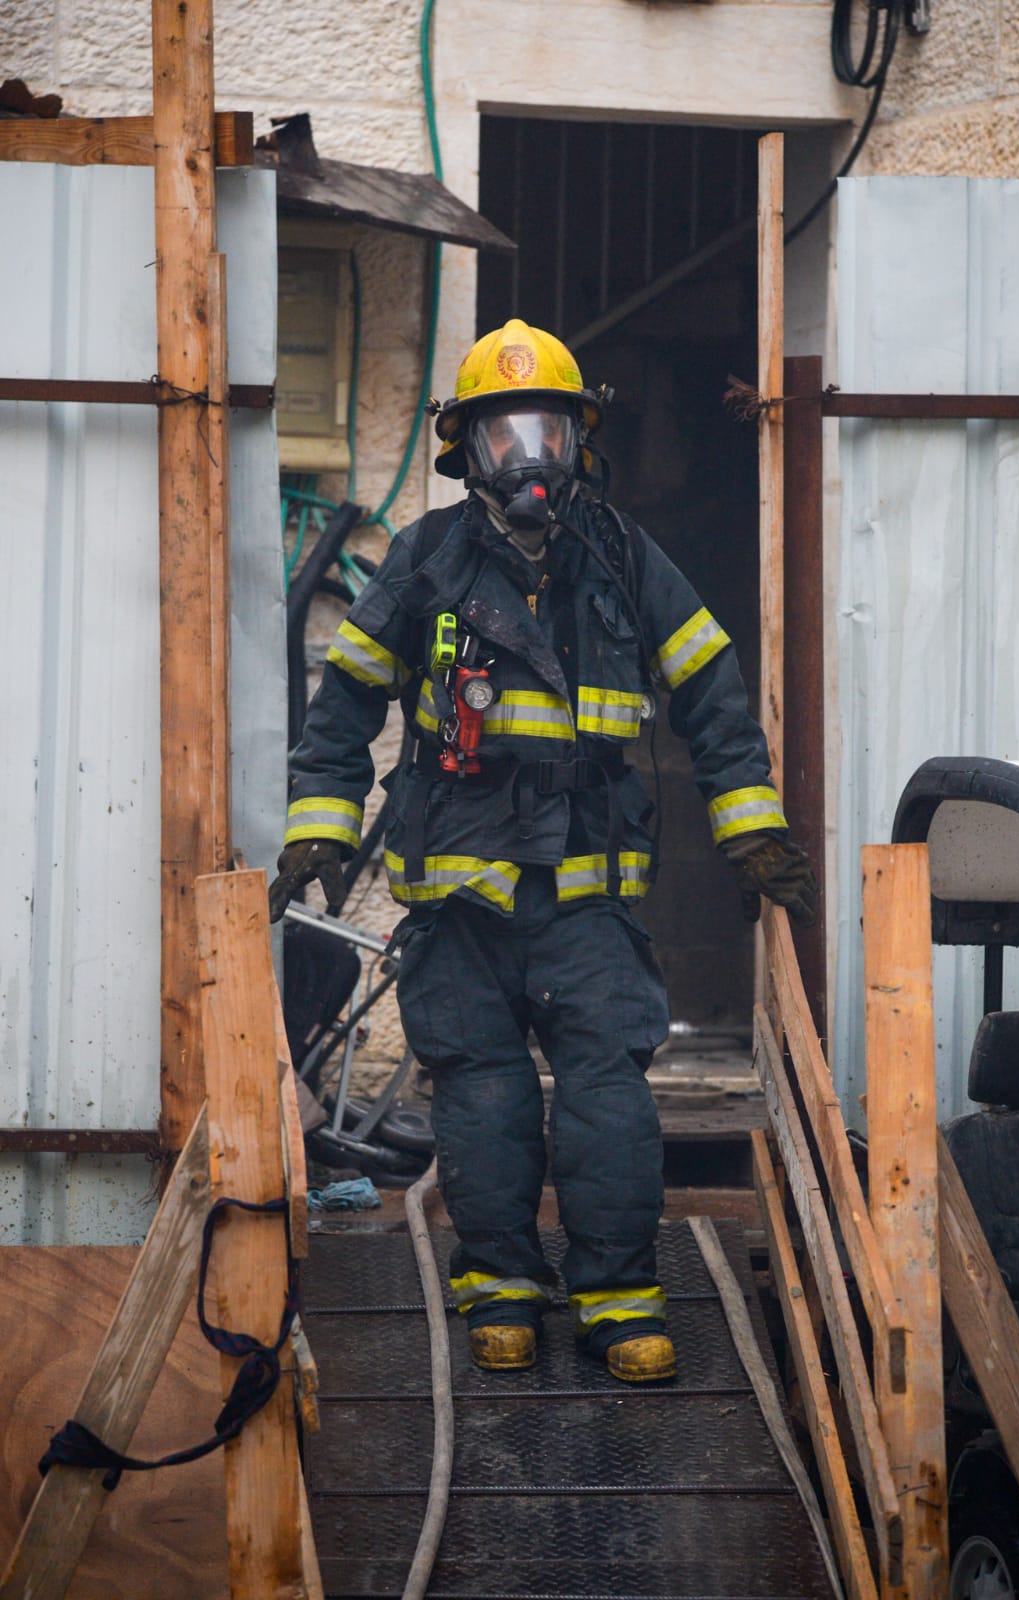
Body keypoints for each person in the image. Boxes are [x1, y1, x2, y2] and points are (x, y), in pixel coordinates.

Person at [269, 319, 816, 1382]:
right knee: (481, 1090)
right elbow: (340, 708)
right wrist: (317, 830)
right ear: (464, 448)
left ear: (579, 440)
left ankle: (617, 1297)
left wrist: (750, 828)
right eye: (505, 431)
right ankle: (501, 1286)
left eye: (548, 430)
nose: (529, 456)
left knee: (606, 1088)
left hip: (587, 890)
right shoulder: (428, 559)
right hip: (462, 891)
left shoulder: (617, 555)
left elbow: (710, 690)